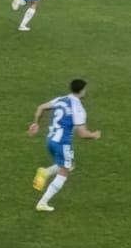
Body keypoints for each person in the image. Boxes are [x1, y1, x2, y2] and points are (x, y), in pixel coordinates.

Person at [26, 79, 101, 213]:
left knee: (69, 165)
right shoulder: (78, 108)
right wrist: (94, 135)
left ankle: (45, 172)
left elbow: (41, 107)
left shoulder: (61, 99)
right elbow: (82, 134)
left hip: (50, 140)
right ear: (82, 90)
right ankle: (42, 203)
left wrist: (36, 123)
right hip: (63, 143)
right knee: (64, 172)